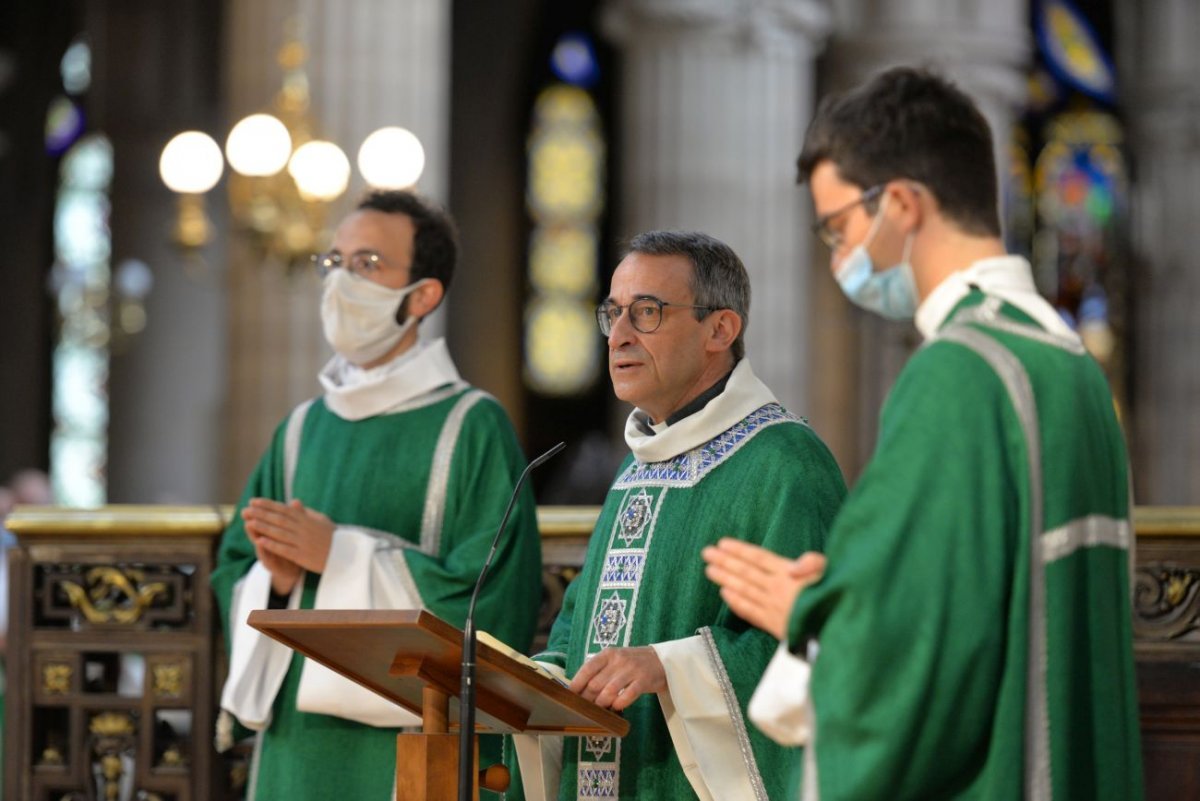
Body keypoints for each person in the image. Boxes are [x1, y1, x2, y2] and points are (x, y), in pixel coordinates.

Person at [703, 66, 1143, 800]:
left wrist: (811, 620)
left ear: (902, 203)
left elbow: (922, 667)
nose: (839, 257)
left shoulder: (961, 372)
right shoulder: (1066, 361)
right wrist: (856, 588)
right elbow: (989, 591)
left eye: (839, 228)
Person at [210, 190, 543, 801]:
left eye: (367, 265)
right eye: (334, 262)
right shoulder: (301, 429)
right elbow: (236, 565)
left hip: (414, 741)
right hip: (295, 742)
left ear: (423, 296)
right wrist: (277, 582)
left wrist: (338, 558)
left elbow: (492, 602)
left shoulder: (472, 425)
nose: (340, 283)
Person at [513, 230, 846, 800]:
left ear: (721, 329)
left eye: (646, 312)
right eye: (612, 314)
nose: (617, 336)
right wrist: (537, 678)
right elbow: (581, 623)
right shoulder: (639, 463)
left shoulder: (783, 463)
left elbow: (819, 648)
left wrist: (670, 667)